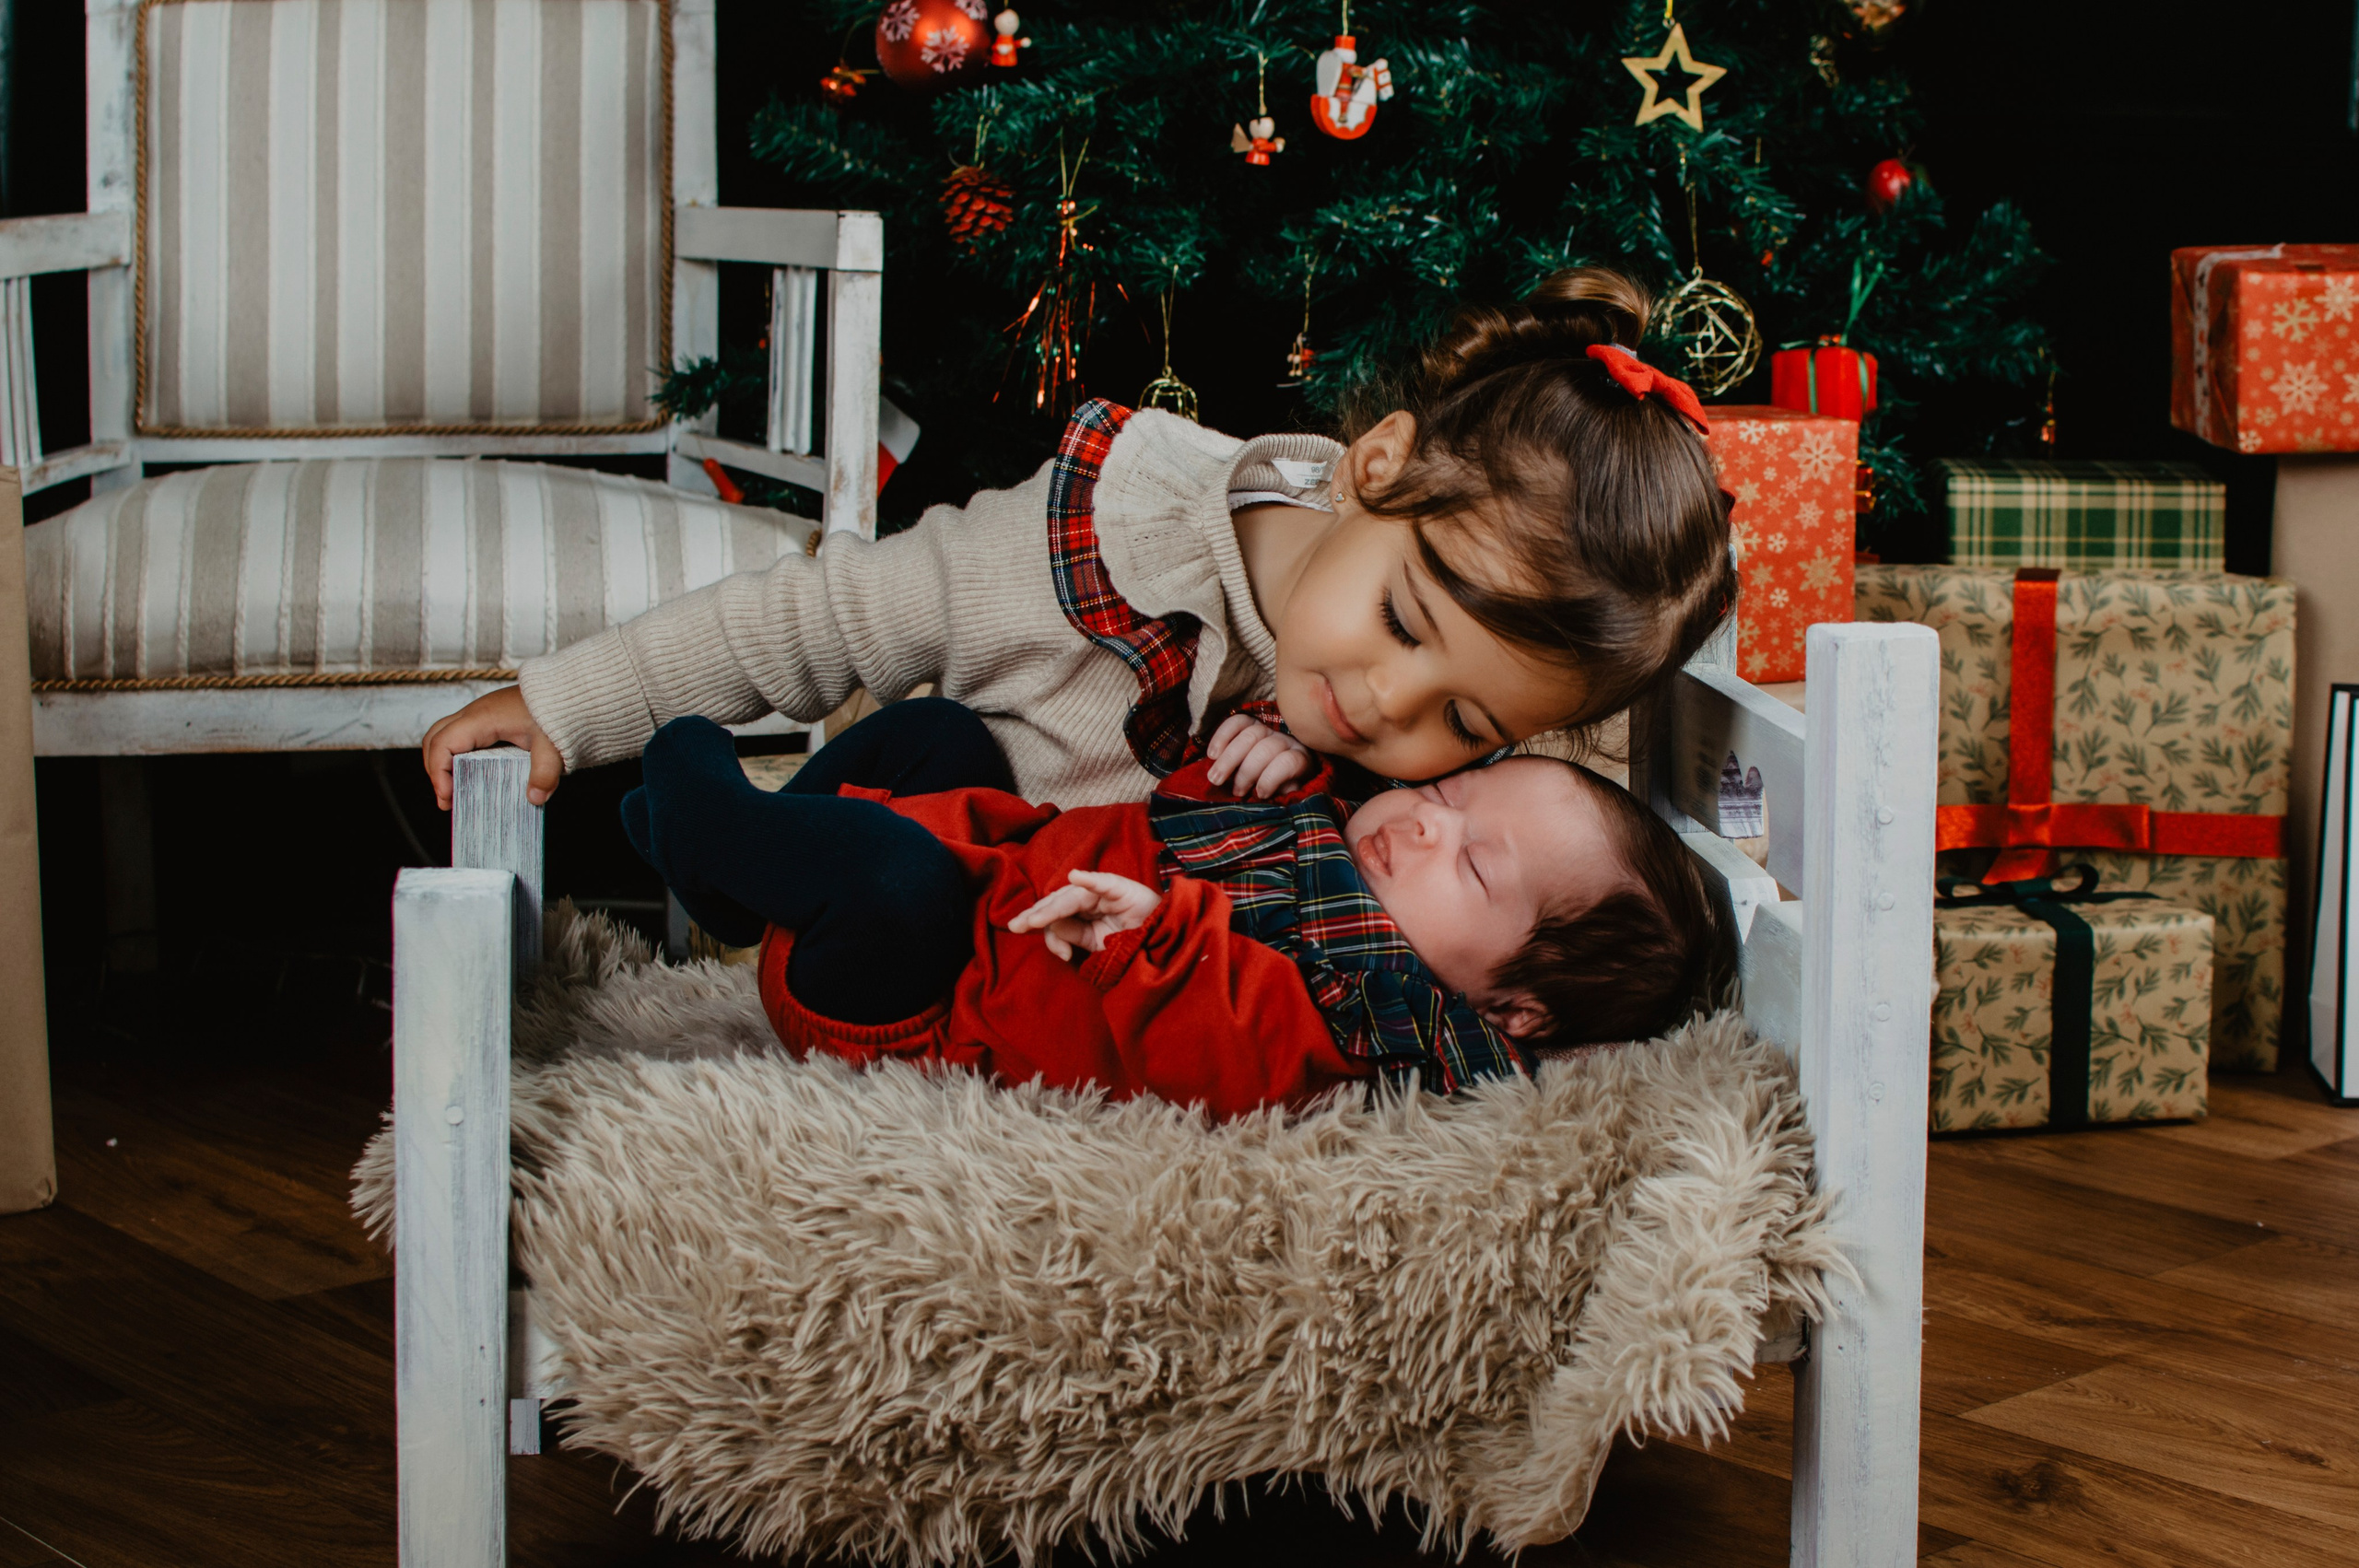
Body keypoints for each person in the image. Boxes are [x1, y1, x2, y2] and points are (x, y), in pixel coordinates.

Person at [421, 266, 1735, 813]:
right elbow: (819, 621)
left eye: (1464, 722)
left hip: (1105, 998)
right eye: (1402, 623)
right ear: (1374, 468)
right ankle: (719, 837)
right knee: (917, 782)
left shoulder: (1438, 718)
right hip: (934, 882)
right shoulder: (1099, 537)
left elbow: (1595, 781)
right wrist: (566, 707)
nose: (1390, 706)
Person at [622, 699, 1735, 1120]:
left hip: (912, 1000)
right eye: (1446, 796)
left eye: (1474, 868)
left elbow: (1223, 1048)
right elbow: (1186, 817)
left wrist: (1146, 937)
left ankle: (695, 790)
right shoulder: (1324, 833)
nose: (1421, 826)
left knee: (890, 879)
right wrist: (1262, 756)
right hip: (987, 857)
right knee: (942, 736)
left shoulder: (1354, 1016)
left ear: (1516, 1009)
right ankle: (730, 871)